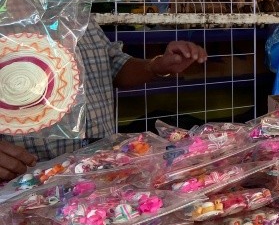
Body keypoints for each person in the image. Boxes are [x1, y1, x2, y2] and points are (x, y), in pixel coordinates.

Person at [0, 17, 207, 180]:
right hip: (29, 175)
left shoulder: (76, 9)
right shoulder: (6, 13)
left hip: (101, 168)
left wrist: (156, 66)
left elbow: (111, 66)